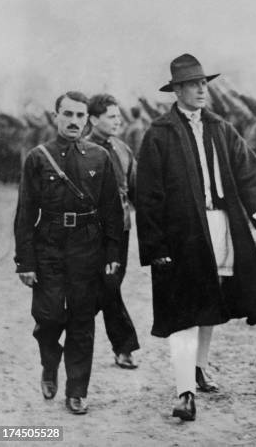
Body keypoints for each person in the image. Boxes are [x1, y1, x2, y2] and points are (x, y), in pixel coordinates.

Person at [136, 53, 256, 421]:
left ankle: (200, 368)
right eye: (193, 84)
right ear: (177, 90)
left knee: (209, 298)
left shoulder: (220, 127)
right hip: (180, 234)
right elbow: (149, 195)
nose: (202, 89)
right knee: (183, 310)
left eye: (204, 83)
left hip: (221, 226)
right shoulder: (159, 134)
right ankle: (184, 391)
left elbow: (248, 172)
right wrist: (156, 247)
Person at [14, 91, 123, 414]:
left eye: (80, 115)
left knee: (81, 319)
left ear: (87, 119)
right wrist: (25, 261)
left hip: (86, 245)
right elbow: (25, 213)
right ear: (56, 116)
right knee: (48, 316)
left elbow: (112, 211)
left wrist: (112, 252)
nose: (75, 121)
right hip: (48, 242)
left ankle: (77, 389)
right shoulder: (38, 157)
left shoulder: (98, 157)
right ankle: (50, 363)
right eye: (68, 114)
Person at [86, 94, 140, 368]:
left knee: (108, 285)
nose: (118, 121)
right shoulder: (79, 149)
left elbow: (136, 189)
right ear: (94, 119)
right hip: (91, 232)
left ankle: (63, 327)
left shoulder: (122, 148)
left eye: (119, 116)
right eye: (111, 116)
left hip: (121, 229)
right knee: (108, 285)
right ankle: (124, 346)